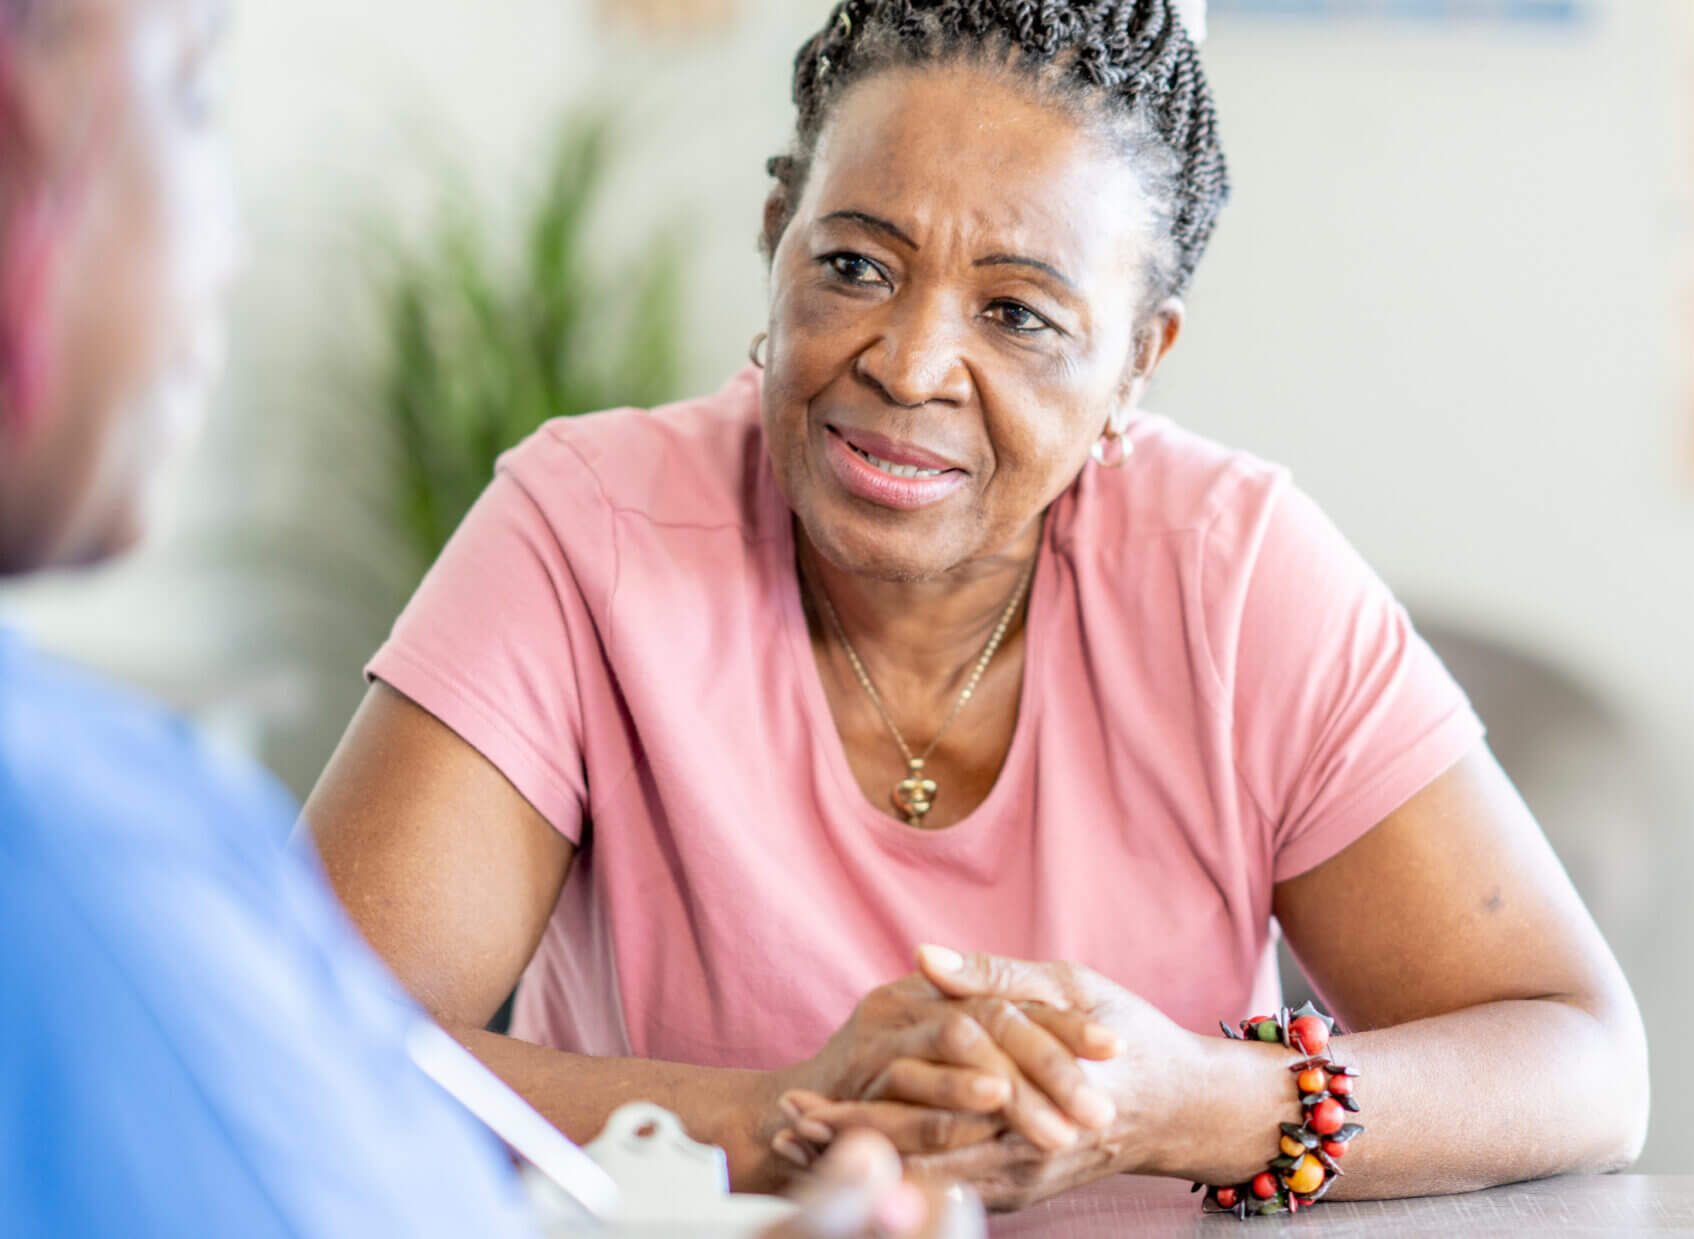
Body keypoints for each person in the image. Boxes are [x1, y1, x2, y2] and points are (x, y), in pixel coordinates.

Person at [305, 0, 1650, 1211]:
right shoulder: (584, 530)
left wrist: (1177, 1099)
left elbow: (1580, 1058)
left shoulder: (1233, 575)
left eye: (1017, 313)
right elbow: (296, 1038)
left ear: (1137, 362)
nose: (910, 363)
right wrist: (797, 1123)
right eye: (856, 266)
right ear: (777, 238)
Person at [0, 1, 970, 1234]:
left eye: (1020, 312)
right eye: (190, 99)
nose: (226, 243)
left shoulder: (1233, 552)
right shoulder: (77, 855)